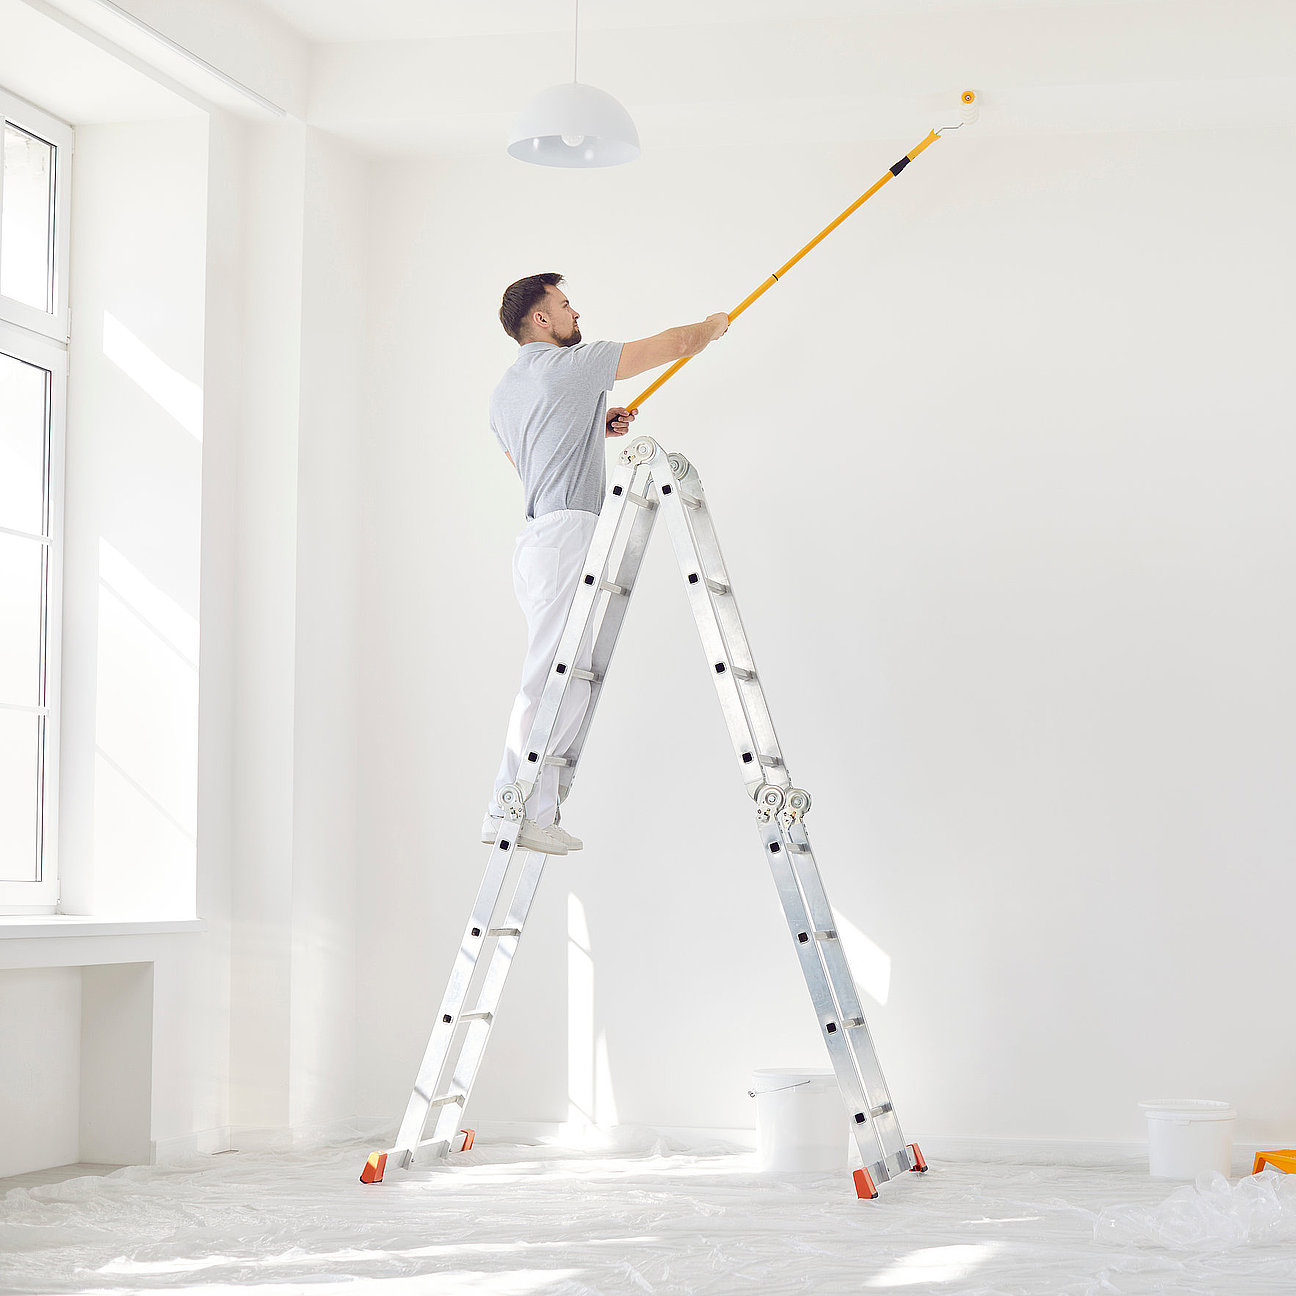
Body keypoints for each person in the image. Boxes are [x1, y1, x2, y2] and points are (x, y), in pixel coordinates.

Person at [483, 272, 729, 855]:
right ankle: (508, 806)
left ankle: (532, 809)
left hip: (541, 538)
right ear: (541, 320)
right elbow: (671, 346)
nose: (574, 313)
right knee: (549, 679)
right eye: (565, 306)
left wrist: (595, 423)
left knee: (564, 678)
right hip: (569, 535)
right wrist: (710, 329)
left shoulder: (506, 392)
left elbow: (536, 459)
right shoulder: (572, 365)